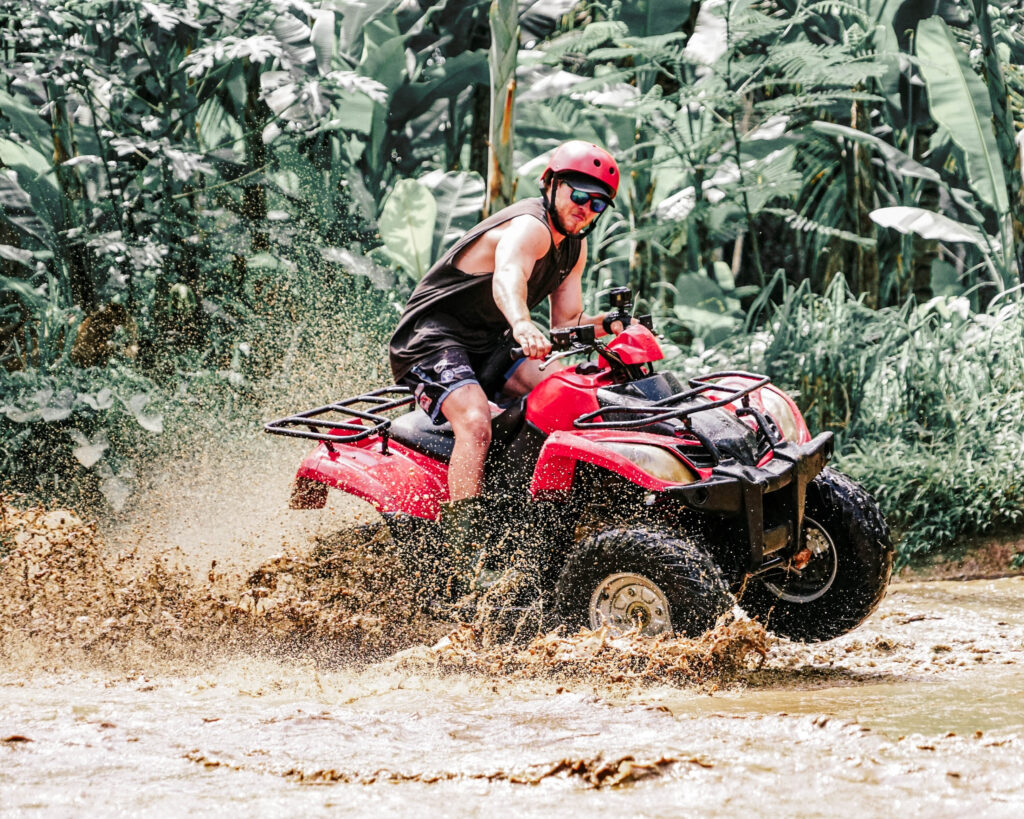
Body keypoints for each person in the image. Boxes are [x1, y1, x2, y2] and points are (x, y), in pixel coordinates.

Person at [388, 140, 629, 574]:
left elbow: (567, 322)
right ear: (551, 185)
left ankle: (531, 500)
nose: (586, 209)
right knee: (476, 422)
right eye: (578, 195)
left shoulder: (573, 247)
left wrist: (610, 326)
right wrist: (520, 323)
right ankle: (462, 547)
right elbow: (508, 277)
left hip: (488, 343)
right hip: (431, 339)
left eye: (598, 203)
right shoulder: (529, 227)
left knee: (566, 392)